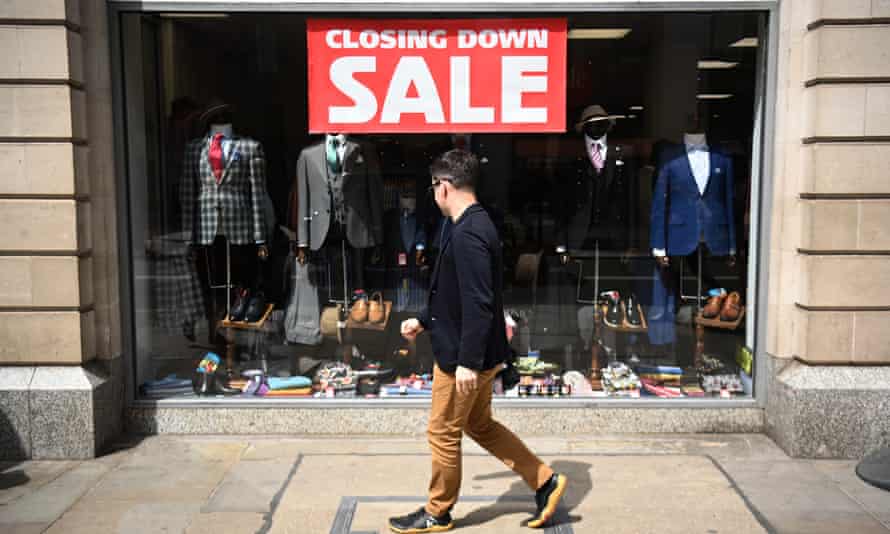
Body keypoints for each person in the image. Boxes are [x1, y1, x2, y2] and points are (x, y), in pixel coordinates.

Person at [389, 149, 567, 533]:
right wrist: (423, 320)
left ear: (445, 186)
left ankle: (438, 511)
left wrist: (467, 361)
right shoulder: (473, 223)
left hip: (463, 357)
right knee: (480, 425)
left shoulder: (468, 232)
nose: (433, 193)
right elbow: (459, 294)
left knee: (442, 431)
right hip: (477, 350)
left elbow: (480, 302)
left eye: (433, 186)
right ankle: (545, 480)